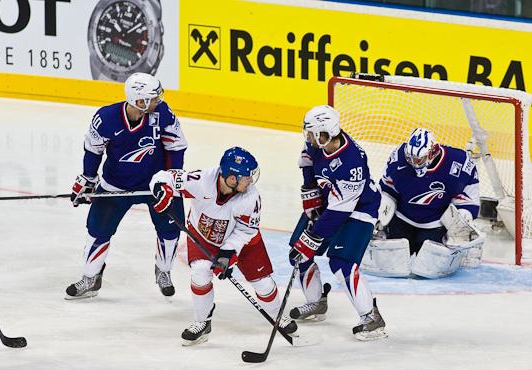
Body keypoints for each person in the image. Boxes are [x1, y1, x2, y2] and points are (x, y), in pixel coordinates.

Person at [149, 147, 298, 346]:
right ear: (232, 178)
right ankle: (202, 322)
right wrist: (162, 190)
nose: (251, 181)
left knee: (263, 283)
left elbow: (246, 231)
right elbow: (164, 177)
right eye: (247, 177)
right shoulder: (202, 181)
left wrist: (228, 253)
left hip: (243, 239)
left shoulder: (251, 197)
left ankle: (277, 315)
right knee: (200, 273)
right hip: (204, 236)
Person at [66, 73, 187, 300]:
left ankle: (163, 270)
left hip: (156, 185)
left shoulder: (162, 113)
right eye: (153, 98)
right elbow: (93, 150)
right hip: (115, 184)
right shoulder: (106, 118)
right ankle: (91, 277)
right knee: (98, 230)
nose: (158, 101)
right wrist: (88, 178)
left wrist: (170, 180)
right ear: (139, 101)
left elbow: (176, 146)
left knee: (170, 229)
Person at [288, 105, 387, 341]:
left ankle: (371, 318)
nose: (308, 137)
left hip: (360, 209)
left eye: (312, 133)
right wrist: (310, 193)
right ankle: (316, 303)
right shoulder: (317, 143)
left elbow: (340, 211)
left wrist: (314, 237)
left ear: (324, 134)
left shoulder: (351, 162)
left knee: (342, 263)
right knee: (297, 253)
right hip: (330, 201)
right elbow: (307, 163)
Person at [361, 127, 483, 279]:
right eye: (410, 158)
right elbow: (387, 189)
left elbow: (468, 198)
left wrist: (462, 220)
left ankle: (464, 250)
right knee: (389, 266)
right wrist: (379, 218)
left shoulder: (459, 162)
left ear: (432, 153)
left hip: (435, 225)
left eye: (418, 159)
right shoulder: (398, 157)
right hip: (402, 219)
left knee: (429, 269)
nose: (413, 162)